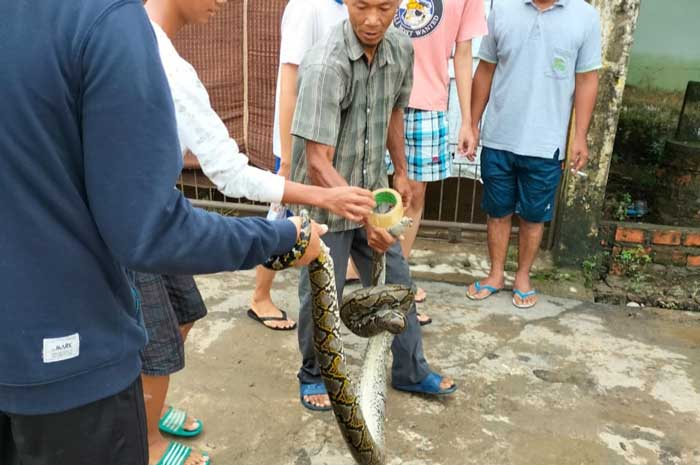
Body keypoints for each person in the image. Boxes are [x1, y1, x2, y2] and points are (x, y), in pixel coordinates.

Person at [0, 0, 325, 464]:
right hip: (71, 369)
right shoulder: (109, 22)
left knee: (178, 317)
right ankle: (152, 442)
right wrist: (280, 238)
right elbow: (150, 230)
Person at [142, 1, 375, 463]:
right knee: (156, 341)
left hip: (158, 207)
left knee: (181, 316)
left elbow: (228, 170)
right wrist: (315, 201)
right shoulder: (151, 57)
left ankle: (148, 410)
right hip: (134, 221)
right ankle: (145, 443)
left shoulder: (161, 51)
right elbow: (229, 174)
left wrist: (321, 198)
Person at [290, 0, 457, 412]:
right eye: (362, 6)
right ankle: (314, 373)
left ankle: (410, 371)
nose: (372, 20)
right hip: (325, 202)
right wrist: (367, 219)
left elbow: (393, 112)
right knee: (321, 294)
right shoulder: (326, 65)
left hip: (370, 192)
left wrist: (400, 170)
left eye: (384, 7)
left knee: (397, 283)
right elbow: (316, 163)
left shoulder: (400, 48)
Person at [466, 0, 601, 308]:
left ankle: (523, 276)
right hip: (499, 136)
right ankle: (496, 274)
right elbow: (485, 69)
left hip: (546, 142)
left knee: (533, 216)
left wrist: (579, 135)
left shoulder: (585, 16)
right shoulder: (502, 9)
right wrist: (472, 124)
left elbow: (586, 79)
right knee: (497, 211)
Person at [251, 0, 364, 331]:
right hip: (298, 140)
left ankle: (339, 270)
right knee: (282, 219)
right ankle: (259, 296)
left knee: (327, 211)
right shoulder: (306, 7)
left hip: (331, 137)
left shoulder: (354, 8)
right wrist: (286, 156)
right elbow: (290, 79)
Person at [392, 0, 487, 322]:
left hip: (428, 102)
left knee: (414, 195)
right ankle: (363, 267)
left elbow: (463, 55)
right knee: (371, 188)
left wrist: (467, 120)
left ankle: (397, 279)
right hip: (377, 94)